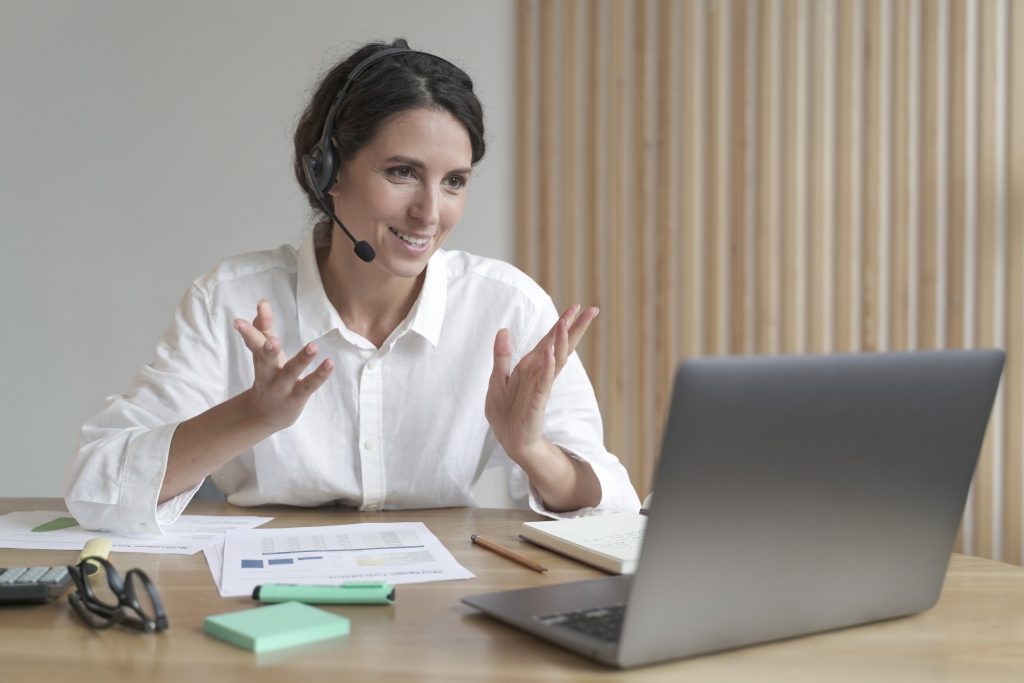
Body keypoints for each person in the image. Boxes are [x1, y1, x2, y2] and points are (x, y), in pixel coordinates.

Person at [64, 39, 641, 534]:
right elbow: (96, 485)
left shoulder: (504, 305)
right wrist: (253, 416)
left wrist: (531, 450)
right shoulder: (233, 299)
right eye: (401, 172)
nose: (429, 212)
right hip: (263, 597)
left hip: (438, 613)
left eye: (454, 182)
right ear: (327, 172)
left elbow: (612, 505)